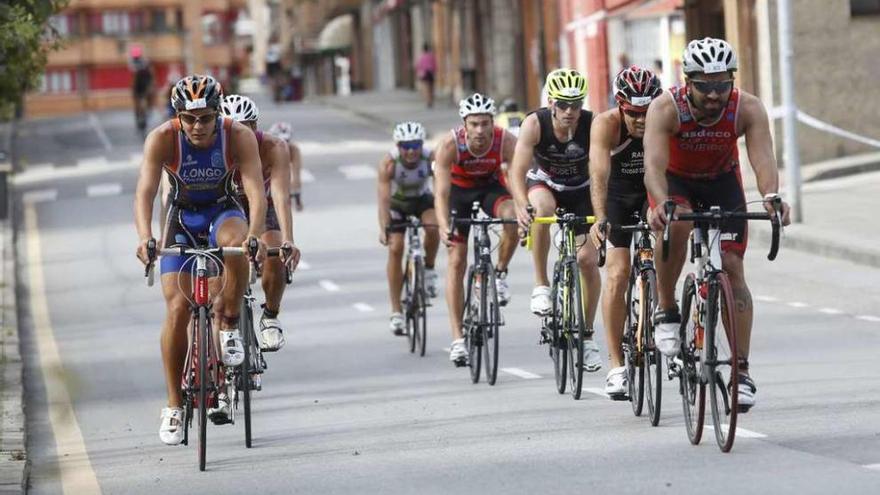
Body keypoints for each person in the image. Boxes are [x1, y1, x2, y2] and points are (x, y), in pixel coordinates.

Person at [643, 38, 791, 411]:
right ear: (687, 81)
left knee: (733, 267)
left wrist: (771, 196)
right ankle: (666, 307)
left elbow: (762, 159)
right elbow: (653, 168)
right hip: (676, 182)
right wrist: (661, 203)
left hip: (722, 181)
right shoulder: (666, 108)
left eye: (722, 84)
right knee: (676, 224)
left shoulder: (747, 107)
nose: (714, 95)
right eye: (705, 85)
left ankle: (740, 371)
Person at [134, 75, 268, 444]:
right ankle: (174, 405)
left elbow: (255, 192)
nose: (197, 127)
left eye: (206, 118)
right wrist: (144, 236)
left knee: (238, 242)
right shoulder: (162, 138)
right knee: (177, 309)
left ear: (217, 113)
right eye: (188, 119)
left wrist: (256, 233)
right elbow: (145, 191)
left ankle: (227, 323)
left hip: (223, 210)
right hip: (182, 217)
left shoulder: (237, 136)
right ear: (177, 116)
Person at [509, 68, 602, 373]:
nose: (570, 111)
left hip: (582, 190)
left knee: (588, 261)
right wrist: (522, 207)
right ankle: (541, 284)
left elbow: (602, 172)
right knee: (542, 208)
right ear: (550, 102)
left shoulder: (592, 124)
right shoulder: (535, 124)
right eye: (563, 104)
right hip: (545, 184)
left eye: (576, 104)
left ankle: (587, 336)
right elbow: (517, 171)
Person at [588, 66, 663, 398]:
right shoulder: (606, 124)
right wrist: (600, 217)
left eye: (647, 112)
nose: (642, 120)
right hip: (617, 196)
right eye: (634, 113)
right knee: (618, 273)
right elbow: (599, 174)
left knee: (665, 248)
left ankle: (665, 321)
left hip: (649, 191)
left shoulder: (663, 117)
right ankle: (617, 365)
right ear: (620, 105)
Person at [434, 93, 519, 364]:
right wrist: (443, 225)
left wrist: (523, 207)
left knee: (512, 219)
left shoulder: (505, 140)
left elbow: (517, 178)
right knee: (457, 260)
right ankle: (458, 338)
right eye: (474, 124)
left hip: (490, 189)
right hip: (458, 193)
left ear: (493, 121)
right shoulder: (450, 144)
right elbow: (441, 194)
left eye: (485, 123)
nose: (480, 130)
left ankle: (500, 273)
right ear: (464, 125)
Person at [221, 94, 301, 352]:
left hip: (263, 204)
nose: (242, 134)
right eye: (235, 128)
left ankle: (270, 316)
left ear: (257, 126)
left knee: (276, 254)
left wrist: (288, 239)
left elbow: (280, 196)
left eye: (249, 126)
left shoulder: (274, 147)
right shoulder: (214, 148)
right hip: (227, 208)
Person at [377, 121, 440, 334]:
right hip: (397, 204)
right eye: (406, 146)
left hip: (422, 199)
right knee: (396, 247)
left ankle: (429, 270)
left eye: (415, 145)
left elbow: (441, 189)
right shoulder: (389, 162)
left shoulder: (430, 157)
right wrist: (383, 227)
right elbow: (384, 199)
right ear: (398, 145)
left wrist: (444, 216)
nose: (411, 151)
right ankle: (396, 311)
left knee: (433, 227)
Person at [267, 122, 304, 211]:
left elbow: (296, 176)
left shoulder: (294, 150)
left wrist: (297, 198)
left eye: (286, 141)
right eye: (280, 142)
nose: (283, 146)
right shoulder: (266, 148)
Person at [131, 48, 155, 134]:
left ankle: (144, 117)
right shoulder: (134, 63)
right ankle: (139, 118)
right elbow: (134, 74)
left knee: (144, 104)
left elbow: (151, 76)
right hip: (138, 87)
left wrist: (150, 86)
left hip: (144, 86)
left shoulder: (145, 64)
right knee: (138, 105)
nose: (136, 58)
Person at [415, 44, 437, 108]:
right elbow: (435, 65)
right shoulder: (431, 56)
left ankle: (428, 101)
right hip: (430, 73)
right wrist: (434, 72)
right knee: (431, 87)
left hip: (424, 74)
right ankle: (431, 100)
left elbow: (418, 66)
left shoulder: (421, 57)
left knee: (426, 88)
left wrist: (418, 73)